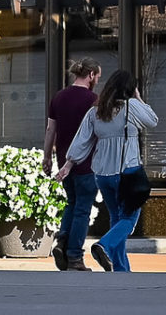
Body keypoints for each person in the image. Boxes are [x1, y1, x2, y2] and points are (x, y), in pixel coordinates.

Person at [65, 69, 156, 273]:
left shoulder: (96, 111)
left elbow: (81, 141)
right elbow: (153, 120)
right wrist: (139, 99)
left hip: (103, 175)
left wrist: (68, 164)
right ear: (130, 89)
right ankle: (103, 245)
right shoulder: (131, 107)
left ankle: (121, 269)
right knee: (129, 220)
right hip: (127, 173)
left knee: (117, 218)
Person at [43, 59, 102, 271]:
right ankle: (75, 256)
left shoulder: (58, 97)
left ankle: (62, 241)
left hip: (63, 162)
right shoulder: (94, 99)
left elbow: (51, 130)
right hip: (87, 163)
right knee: (82, 210)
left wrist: (47, 157)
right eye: (97, 76)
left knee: (71, 203)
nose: (97, 80)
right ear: (92, 75)